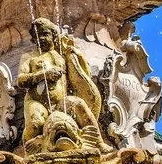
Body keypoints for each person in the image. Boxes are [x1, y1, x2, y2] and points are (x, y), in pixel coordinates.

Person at [17, 18, 102, 153]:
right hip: (37, 102)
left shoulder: (62, 55)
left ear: (54, 35)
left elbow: (83, 75)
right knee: (35, 123)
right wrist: (43, 75)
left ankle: (98, 142)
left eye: (45, 34)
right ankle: (29, 153)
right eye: (38, 36)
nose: (41, 38)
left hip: (61, 102)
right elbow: (21, 80)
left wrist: (77, 56)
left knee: (79, 104)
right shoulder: (29, 57)